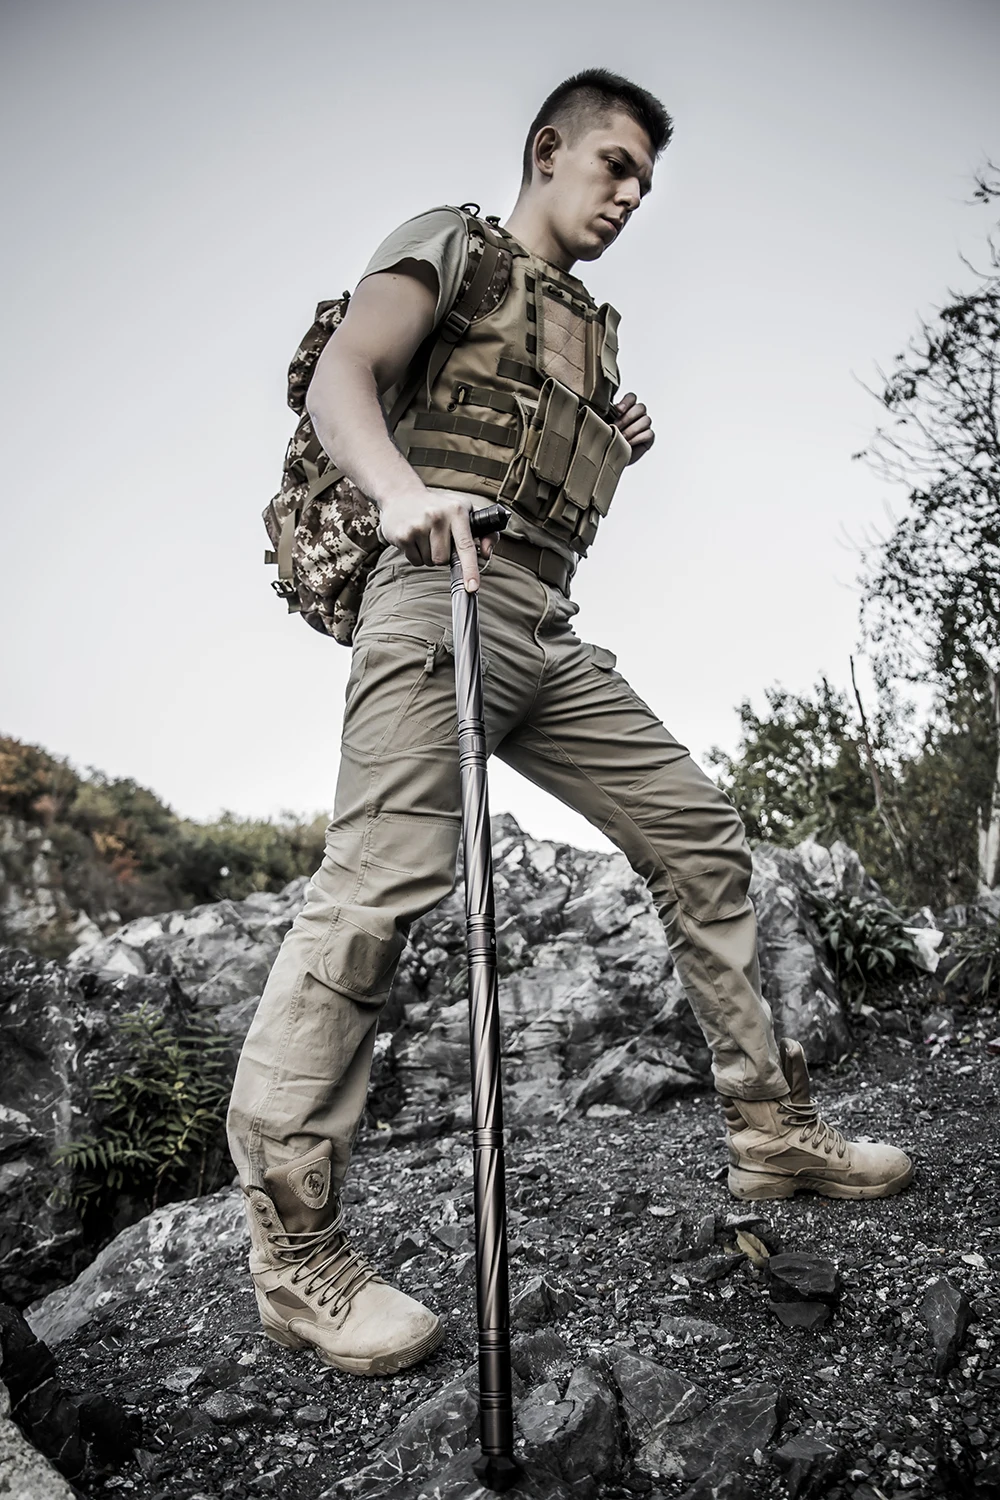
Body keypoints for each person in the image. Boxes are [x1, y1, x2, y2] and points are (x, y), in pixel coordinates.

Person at [226, 68, 913, 1380]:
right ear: (549, 149)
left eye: (646, 180)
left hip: (541, 622)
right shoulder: (450, 245)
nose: (631, 194)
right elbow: (343, 377)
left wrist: (611, 441)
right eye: (615, 164)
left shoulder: (591, 330)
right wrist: (398, 493)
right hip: (437, 593)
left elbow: (534, 460)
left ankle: (770, 1131)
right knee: (377, 891)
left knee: (699, 833)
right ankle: (294, 1253)